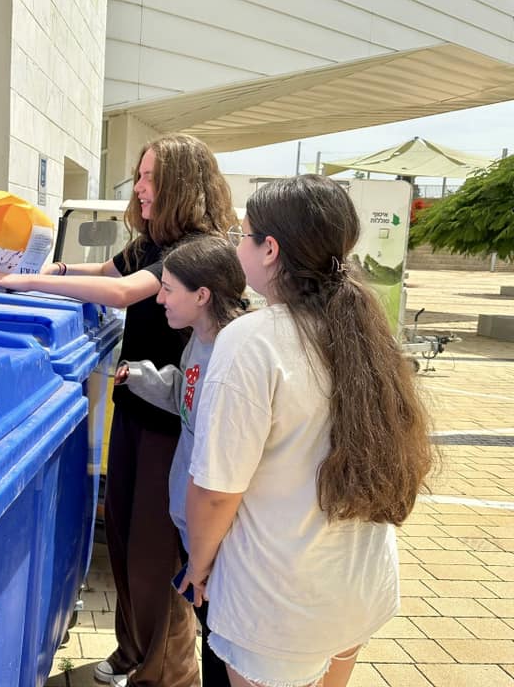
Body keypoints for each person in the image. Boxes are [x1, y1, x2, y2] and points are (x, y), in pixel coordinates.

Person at [0, 134, 237, 687]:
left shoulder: (192, 248)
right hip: (136, 404)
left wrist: (20, 282)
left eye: (149, 178)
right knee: (120, 537)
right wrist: (59, 268)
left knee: (153, 555)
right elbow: (110, 273)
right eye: (139, 176)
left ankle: (165, 674)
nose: (139, 188)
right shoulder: (150, 241)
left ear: (180, 186)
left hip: (172, 422)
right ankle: (130, 653)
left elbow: (124, 295)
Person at [179, 175, 435, 687]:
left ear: (269, 249)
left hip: (280, 602)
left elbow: (214, 491)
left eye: (243, 235)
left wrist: (198, 567)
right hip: (356, 585)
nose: (237, 245)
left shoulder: (251, 340)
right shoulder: (364, 327)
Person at [114, 234, 245, 687]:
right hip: (201, 538)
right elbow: (184, 397)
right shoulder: (198, 344)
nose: (160, 298)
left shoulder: (230, 356)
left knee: (223, 649)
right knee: (214, 641)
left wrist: (202, 562)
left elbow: (223, 472)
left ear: (202, 295)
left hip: (220, 545)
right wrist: (138, 376)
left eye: (168, 288)